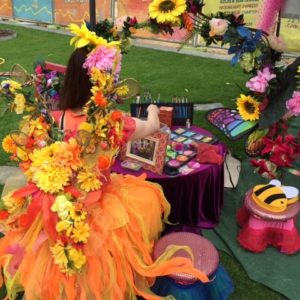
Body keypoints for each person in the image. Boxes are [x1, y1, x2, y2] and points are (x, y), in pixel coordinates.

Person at [0, 26, 208, 300]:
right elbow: (153, 126)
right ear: (104, 82)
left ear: (71, 78)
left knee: (54, 255)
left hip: (59, 205)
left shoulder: (50, 120)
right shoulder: (113, 122)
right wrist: (153, 110)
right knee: (132, 225)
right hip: (102, 205)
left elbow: (35, 155)